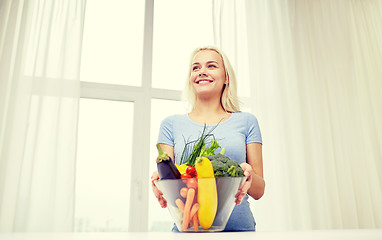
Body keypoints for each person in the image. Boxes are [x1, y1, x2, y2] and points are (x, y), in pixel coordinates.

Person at [151, 46, 265, 231]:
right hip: (189, 229)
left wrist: (249, 176)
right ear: (191, 78)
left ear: (226, 77)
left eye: (211, 66)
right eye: (195, 68)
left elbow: (259, 191)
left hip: (239, 231)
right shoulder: (170, 125)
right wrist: (158, 183)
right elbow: (167, 175)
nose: (202, 71)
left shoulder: (247, 121)